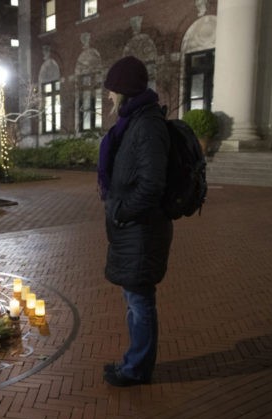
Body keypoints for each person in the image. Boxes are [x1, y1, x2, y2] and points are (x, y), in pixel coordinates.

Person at [97, 56, 173, 387]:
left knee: (141, 303)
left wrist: (120, 211)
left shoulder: (147, 125)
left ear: (124, 91)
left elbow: (152, 185)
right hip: (133, 232)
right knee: (134, 301)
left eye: (112, 90)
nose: (109, 97)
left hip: (141, 231)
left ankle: (137, 369)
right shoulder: (133, 122)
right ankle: (133, 362)